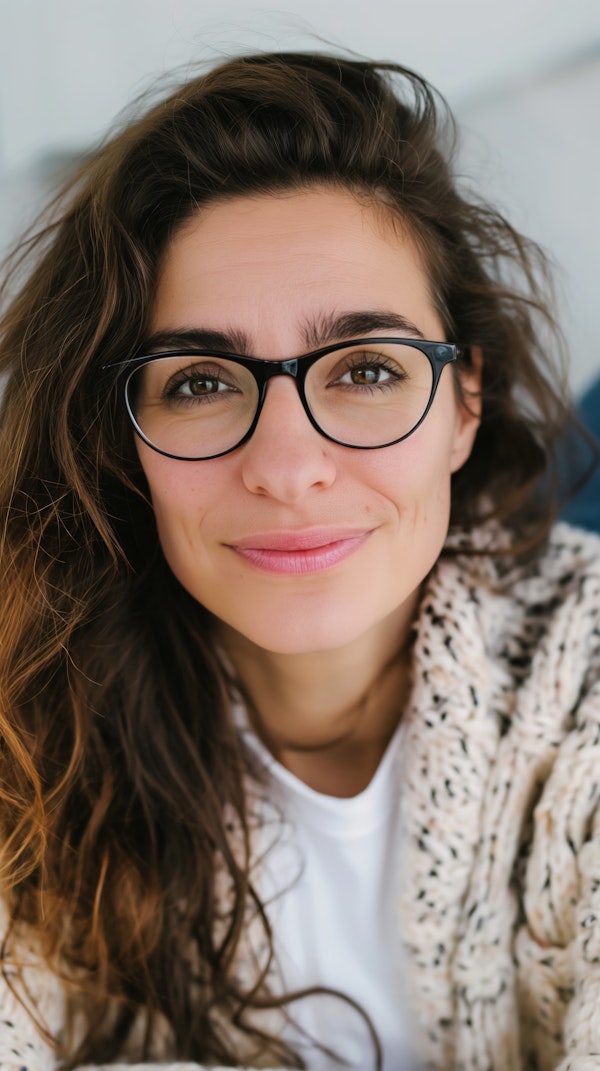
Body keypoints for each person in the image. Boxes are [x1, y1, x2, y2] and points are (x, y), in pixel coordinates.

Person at [0, 50, 599, 1071]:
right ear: (121, 438)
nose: (287, 467)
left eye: (367, 368)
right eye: (198, 383)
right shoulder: (29, 712)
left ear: (463, 405)